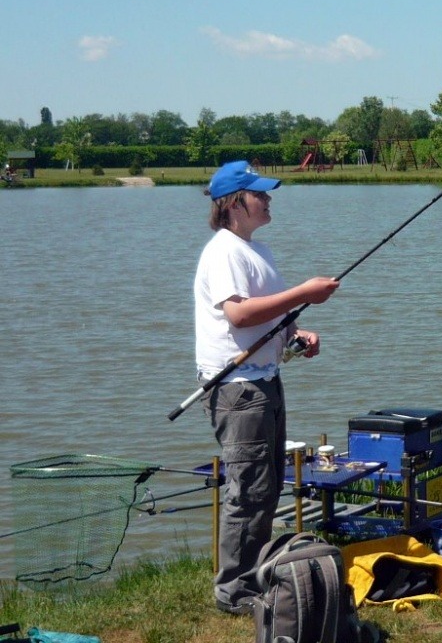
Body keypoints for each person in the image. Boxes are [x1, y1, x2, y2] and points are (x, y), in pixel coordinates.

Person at [194, 160, 340, 615]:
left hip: (265, 382)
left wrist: (295, 336)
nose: (269, 198)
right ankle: (232, 591)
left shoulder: (257, 251)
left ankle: (252, 577)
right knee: (249, 492)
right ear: (236, 203)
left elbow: (265, 319)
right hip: (237, 390)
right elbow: (238, 315)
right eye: (260, 193)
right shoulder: (223, 252)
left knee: (269, 486)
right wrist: (302, 293)